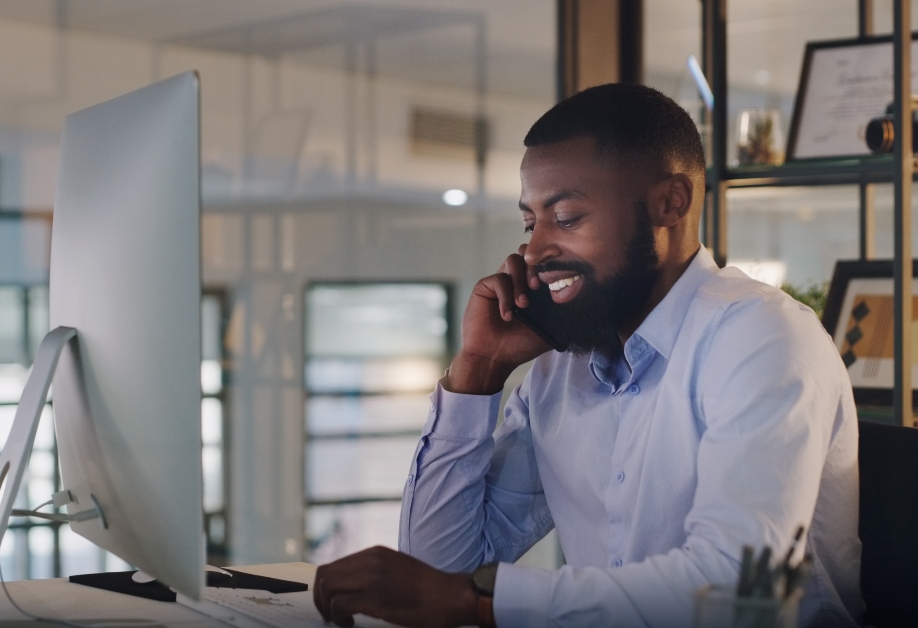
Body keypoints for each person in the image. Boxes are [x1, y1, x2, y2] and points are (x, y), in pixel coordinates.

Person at [312, 83, 864, 628]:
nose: (534, 250)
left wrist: (478, 602)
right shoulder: (562, 367)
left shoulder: (762, 337)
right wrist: (480, 369)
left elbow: (746, 593)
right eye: (531, 222)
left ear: (670, 203)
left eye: (568, 218)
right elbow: (439, 569)